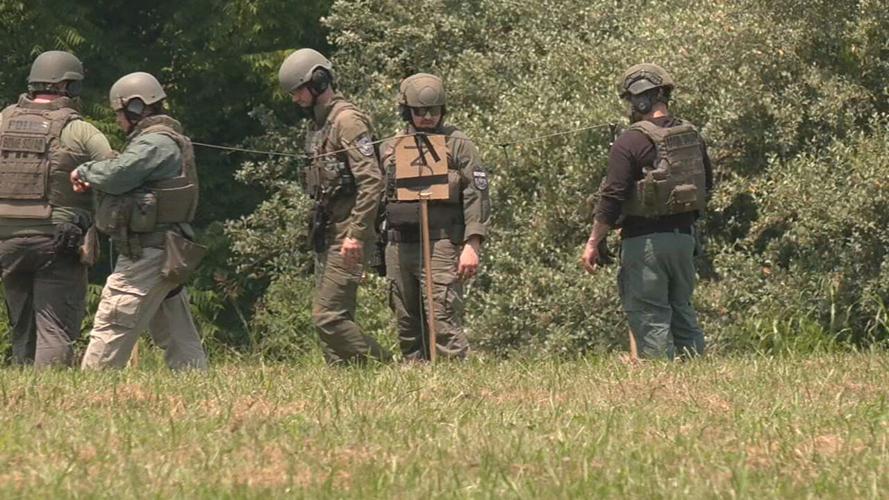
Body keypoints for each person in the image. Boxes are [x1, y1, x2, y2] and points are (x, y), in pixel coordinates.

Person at [75, 72, 208, 370]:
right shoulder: (161, 141)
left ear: (136, 108)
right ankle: (194, 377)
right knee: (173, 323)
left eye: (119, 113)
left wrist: (84, 171)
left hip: (146, 251)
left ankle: (92, 384)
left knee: (114, 316)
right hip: (163, 249)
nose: (118, 120)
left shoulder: (155, 143)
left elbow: (117, 175)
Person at [581, 63, 712, 360]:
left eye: (631, 99)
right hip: (684, 240)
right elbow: (707, 185)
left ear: (640, 99)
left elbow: (611, 196)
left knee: (650, 317)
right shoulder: (692, 135)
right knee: (683, 311)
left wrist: (593, 241)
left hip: (645, 244)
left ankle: (660, 380)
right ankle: (697, 375)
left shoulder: (629, 141)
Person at [0, 51, 113, 367]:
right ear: (68, 86)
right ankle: (52, 388)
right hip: (58, 239)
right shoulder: (78, 129)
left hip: (6, 242)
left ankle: (24, 386)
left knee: (21, 324)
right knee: (54, 327)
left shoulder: (3, 121)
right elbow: (113, 170)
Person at [278, 48, 390, 364]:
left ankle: (386, 367)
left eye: (298, 90)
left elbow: (372, 181)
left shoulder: (347, 121)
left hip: (348, 234)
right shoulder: (318, 125)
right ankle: (346, 378)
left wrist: (356, 234)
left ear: (318, 81)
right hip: (327, 231)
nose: (295, 99)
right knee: (334, 321)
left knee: (327, 317)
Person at [381, 73, 491, 361]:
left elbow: (477, 193)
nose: (428, 117)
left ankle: (456, 376)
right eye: (420, 111)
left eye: (434, 110)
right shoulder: (391, 147)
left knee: (442, 317)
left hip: (441, 242)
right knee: (406, 320)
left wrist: (472, 243)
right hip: (399, 243)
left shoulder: (458, 144)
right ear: (407, 111)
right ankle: (416, 375)